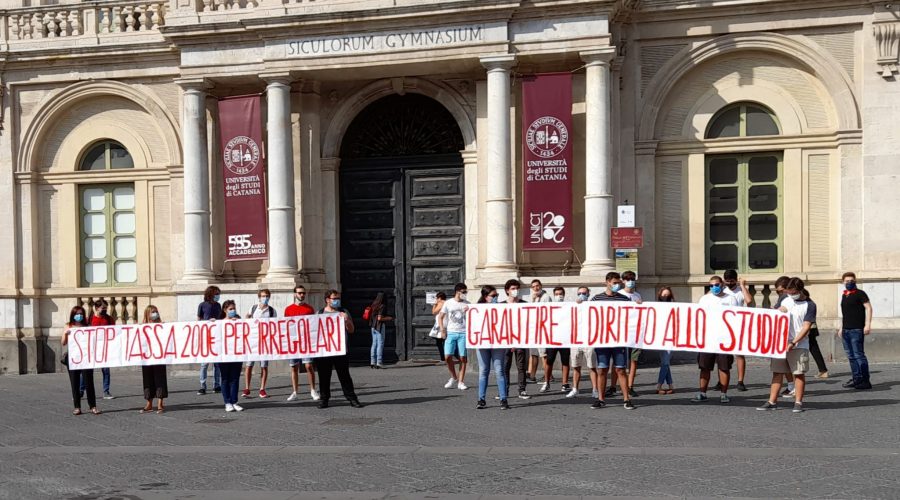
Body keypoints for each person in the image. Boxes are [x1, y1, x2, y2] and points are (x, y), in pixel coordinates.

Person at [758, 277, 815, 413]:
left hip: (799, 344)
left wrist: (794, 342)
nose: (790, 295)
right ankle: (772, 401)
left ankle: (798, 402)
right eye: (788, 292)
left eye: (792, 292)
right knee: (777, 372)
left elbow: (806, 327)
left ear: (800, 290)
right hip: (781, 343)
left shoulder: (810, 305)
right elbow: (776, 313)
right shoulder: (786, 299)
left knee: (798, 373)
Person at [590, 272, 635, 410]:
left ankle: (626, 399)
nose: (617, 285)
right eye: (614, 283)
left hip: (619, 340)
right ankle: (601, 399)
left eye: (618, 283)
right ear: (607, 282)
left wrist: (639, 306)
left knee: (620, 369)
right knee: (602, 369)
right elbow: (587, 316)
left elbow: (632, 317)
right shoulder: (596, 299)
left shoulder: (625, 300)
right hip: (602, 341)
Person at [692, 275, 740, 404]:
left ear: (722, 284)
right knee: (704, 367)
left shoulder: (731, 299)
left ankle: (723, 393)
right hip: (708, 339)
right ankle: (702, 393)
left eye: (716, 285)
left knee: (724, 367)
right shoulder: (704, 299)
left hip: (724, 339)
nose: (714, 287)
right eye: (711, 285)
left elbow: (736, 318)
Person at [317, 290, 362, 409]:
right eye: (334, 298)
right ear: (327, 299)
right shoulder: (319, 313)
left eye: (338, 298)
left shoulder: (343, 312)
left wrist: (347, 320)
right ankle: (324, 399)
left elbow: (351, 330)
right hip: (324, 351)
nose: (337, 301)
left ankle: (352, 398)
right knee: (324, 376)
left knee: (344, 376)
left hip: (340, 350)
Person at [63, 306, 100, 415]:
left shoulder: (87, 326)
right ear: (73, 315)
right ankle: (77, 407)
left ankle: (92, 406)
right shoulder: (68, 325)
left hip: (86, 358)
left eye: (81, 314)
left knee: (89, 382)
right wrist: (66, 333)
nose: (79, 316)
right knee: (74, 383)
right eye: (76, 314)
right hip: (73, 358)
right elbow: (63, 342)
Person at [476, 285, 508, 409]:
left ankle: (503, 398)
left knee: (499, 370)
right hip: (483, 342)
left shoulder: (501, 308)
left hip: (498, 342)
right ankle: (481, 399)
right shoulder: (476, 309)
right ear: (485, 297)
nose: (495, 298)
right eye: (493, 296)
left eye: (497, 296)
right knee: (484, 370)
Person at [285, 285, 320, 402]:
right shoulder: (288, 309)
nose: (302, 295)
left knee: (309, 366)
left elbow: (314, 325)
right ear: (295, 294)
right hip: (293, 342)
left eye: (303, 293)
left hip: (306, 341)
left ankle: (313, 390)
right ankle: (295, 392)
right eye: (299, 293)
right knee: (294, 367)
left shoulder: (309, 309)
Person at [839, 272, 873, 390]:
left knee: (859, 355)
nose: (849, 283)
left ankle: (865, 380)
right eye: (847, 281)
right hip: (846, 330)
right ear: (843, 282)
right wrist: (841, 327)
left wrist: (867, 324)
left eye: (852, 280)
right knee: (851, 356)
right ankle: (856, 378)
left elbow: (868, 308)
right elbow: (845, 314)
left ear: (855, 281)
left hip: (856, 329)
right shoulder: (844, 295)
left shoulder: (860, 293)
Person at [723, 269, 753, 392]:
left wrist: (742, 285)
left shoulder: (740, 291)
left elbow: (749, 301)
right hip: (724, 326)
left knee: (739, 354)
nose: (730, 283)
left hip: (738, 325)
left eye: (732, 281)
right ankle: (722, 380)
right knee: (723, 355)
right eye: (727, 281)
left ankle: (740, 380)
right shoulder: (722, 290)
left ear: (736, 280)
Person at [243, 289, 275, 399]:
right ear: (259, 297)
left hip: (265, 342)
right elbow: (247, 320)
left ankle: (262, 389)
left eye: (267, 296)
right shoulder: (253, 308)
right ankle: (247, 388)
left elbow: (274, 325)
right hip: (252, 341)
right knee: (249, 365)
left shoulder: (271, 311)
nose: (265, 298)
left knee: (264, 366)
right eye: (263, 296)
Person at [502, 279, 531, 400]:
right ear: (507, 291)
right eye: (513, 289)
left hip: (520, 339)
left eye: (517, 288)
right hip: (505, 340)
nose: (515, 291)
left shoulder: (524, 304)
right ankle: (504, 390)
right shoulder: (501, 305)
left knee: (521, 366)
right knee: (505, 367)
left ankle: (522, 389)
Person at [439, 283, 470, 391]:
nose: (465, 294)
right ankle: (453, 377)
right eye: (464, 292)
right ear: (458, 292)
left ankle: (461, 381)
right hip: (451, 332)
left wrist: (469, 311)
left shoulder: (467, 304)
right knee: (447, 356)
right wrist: (442, 329)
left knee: (463, 358)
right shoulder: (448, 303)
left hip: (463, 333)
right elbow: (441, 316)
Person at [541, 287, 571, 394]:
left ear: (564, 294)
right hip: (552, 339)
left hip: (565, 339)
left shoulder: (568, 307)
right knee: (549, 361)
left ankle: (565, 383)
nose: (559, 296)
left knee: (565, 361)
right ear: (554, 295)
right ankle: (546, 382)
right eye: (557, 294)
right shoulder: (550, 308)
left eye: (561, 294)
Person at [140, 305, 168, 414]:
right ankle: (149, 402)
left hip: (159, 356)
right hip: (146, 357)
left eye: (156, 312)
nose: (155, 314)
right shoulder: (142, 327)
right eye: (152, 312)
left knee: (160, 378)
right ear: (147, 314)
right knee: (147, 379)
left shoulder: (162, 326)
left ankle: (160, 402)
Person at [619, 271, 642, 397]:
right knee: (619, 360)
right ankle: (613, 386)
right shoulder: (619, 295)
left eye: (632, 279)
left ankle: (630, 385)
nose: (630, 281)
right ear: (623, 281)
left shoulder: (637, 295)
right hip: (622, 331)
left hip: (635, 332)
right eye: (627, 279)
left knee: (634, 360)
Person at [87, 299, 115, 400]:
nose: (105, 310)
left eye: (106, 308)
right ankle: (81, 391)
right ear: (96, 308)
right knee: (87, 370)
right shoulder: (89, 320)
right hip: (92, 348)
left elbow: (114, 332)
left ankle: (106, 391)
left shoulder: (109, 319)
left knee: (106, 370)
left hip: (104, 349)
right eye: (103, 308)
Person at [197, 286, 222, 395]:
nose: (218, 296)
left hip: (217, 337)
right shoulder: (202, 305)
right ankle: (202, 385)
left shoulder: (218, 305)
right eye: (216, 294)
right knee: (204, 364)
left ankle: (217, 385)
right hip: (206, 337)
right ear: (210, 294)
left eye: (218, 294)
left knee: (217, 364)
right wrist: (208, 321)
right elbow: (199, 320)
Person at [219, 300, 244, 412]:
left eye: (234, 309)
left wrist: (239, 322)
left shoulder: (238, 321)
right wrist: (211, 323)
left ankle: (234, 401)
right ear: (225, 310)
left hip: (236, 355)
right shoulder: (219, 323)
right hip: (223, 355)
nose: (233, 311)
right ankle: (227, 402)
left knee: (235, 378)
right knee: (225, 379)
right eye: (230, 309)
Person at [526, 279, 551, 383]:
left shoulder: (546, 297)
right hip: (534, 330)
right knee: (534, 353)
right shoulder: (534, 298)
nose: (536, 288)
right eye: (533, 286)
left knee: (544, 355)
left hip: (543, 330)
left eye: (537, 286)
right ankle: (532, 375)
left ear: (541, 286)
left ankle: (547, 378)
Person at [655, 287, 675, 395]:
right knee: (665, 362)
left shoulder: (675, 307)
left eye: (667, 295)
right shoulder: (656, 307)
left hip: (671, 337)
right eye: (663, 295)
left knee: (665, 362)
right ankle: (671, 385)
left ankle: (659, 385)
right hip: (660, 337)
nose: (665, 297)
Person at [368, 292, 394, 369]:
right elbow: (380, 318)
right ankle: (379, 362)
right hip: (379, 326)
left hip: (373, 326)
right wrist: (389, 318)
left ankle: (372, 362)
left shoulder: (373, 305)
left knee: (374, 344)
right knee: (380, 344)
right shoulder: (382, 306)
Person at [431, 292, 448, 362]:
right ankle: (445, 356)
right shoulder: (447, 303)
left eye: (437, 298)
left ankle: (443, 357)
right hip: (446, 323)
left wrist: (434, 305)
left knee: (439, 342)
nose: (436, 299)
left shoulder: (441, 303)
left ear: (439, 298)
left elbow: (434, 312)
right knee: (443, 341)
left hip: (440, 324)